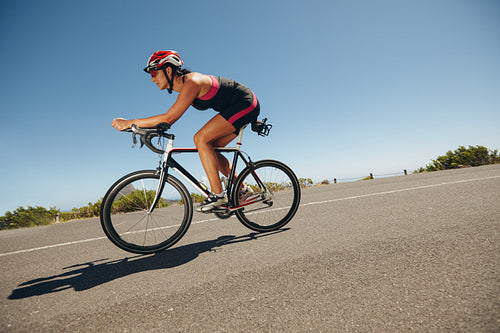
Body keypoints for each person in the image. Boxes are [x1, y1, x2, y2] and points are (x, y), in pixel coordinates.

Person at [111, 50, 260, 212]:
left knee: (201, 139)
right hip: (235, 108)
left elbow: (169, 118)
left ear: (168, 70)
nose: (152, 79)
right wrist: (140, 128)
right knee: (211, 149)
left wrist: (129, 122)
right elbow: (167, 120)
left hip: (245, 103)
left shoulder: (192, 82)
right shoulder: (184, 88)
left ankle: (218, 195)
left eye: (154, 72)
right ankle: (242, 189)